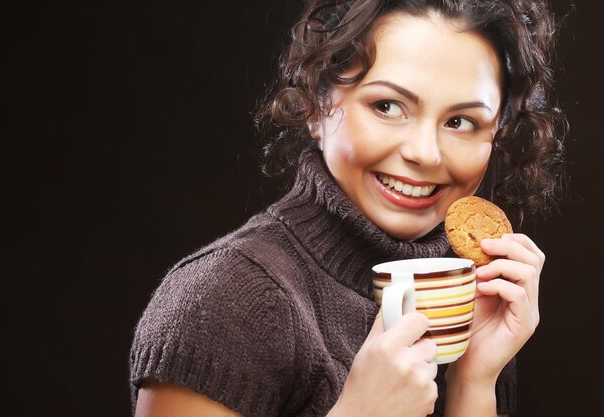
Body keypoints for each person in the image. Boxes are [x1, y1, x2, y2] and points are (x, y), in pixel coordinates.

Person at [129, 0, 566, 416]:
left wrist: (474, 382)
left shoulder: (475, 299)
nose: (426, 154)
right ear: (316, 106)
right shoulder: (225, 299)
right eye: (388, 106)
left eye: (460, 122)